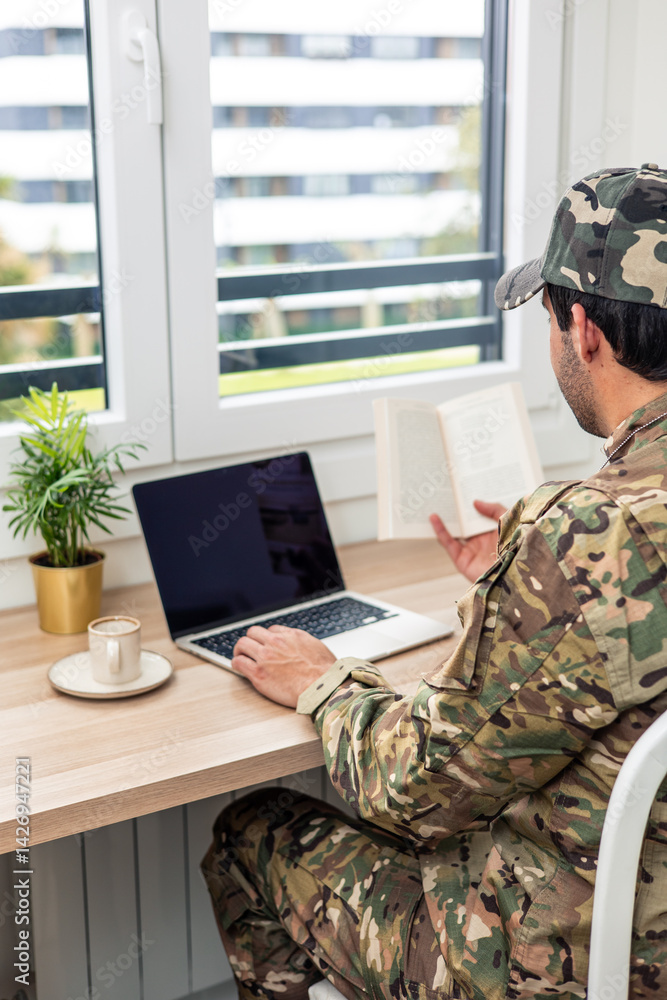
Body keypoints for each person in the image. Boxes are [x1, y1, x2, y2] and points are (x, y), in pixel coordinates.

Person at [201, 164, 667, 1000]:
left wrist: (324, 680)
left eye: (548, 317)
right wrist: (513, 587)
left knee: (252, 830)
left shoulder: (587, 537)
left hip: (558, 967)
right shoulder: (593, 542)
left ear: (582, 329)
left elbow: (410, 790)